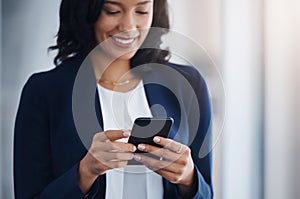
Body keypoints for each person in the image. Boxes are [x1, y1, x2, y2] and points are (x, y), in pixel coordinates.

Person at [14, 0, 213, 198]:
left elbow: (207, 194)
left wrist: (188, 179)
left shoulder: (188, 85)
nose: (128, 26)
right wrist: (85, 173)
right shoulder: (44, 91)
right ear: (86, 12)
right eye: (113, 11)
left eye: (142, 11)